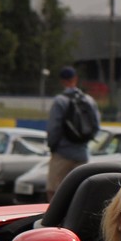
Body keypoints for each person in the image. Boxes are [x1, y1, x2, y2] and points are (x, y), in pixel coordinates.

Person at [46, 66, 98, 201]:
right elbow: (96, 126)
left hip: (62, 154)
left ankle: (55, 219)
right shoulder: (89, 100)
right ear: (75, 79)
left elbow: (54, 128)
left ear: (62, 81)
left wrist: (53, 147)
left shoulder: (60, 101)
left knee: (54, 190)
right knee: (79, 191)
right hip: (82, 153)